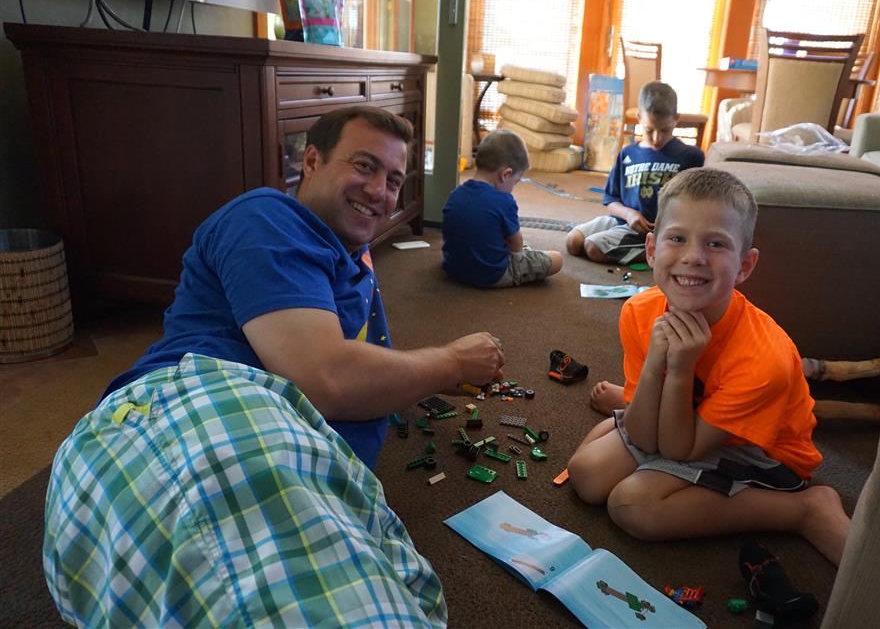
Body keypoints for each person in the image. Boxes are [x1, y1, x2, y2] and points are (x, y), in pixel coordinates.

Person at [43, 105, 505, 627]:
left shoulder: (350, 265)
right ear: (311, 161)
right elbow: (324, 378)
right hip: (189, 406)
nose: (380, 190)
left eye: (395, 180)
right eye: (364, 166)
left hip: (268, 449)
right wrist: (450, 361)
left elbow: (346, 376)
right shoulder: (267, 216)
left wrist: (417, 377)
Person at [566, 168, 850, 567]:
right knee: (586, 476)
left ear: (744, 265)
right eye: (677, 238)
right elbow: (647, 437)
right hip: (683, 418)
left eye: (716, 244)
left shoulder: (763, 359)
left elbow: (680, 449)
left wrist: (680, 367)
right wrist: (656, 366)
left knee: (633, 506)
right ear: (652, 250)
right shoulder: (638, 312)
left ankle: (803, 511)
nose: (693, 257)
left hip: (757, 450)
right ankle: (626, 411)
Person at [566, 80, 704, 266]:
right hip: (622, 219)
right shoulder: (628, 154)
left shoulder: (691, 156)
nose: (657, 138)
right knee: (573, 242)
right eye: (649, 130)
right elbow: (611, 199)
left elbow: (696, 206)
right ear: (639, 117)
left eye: (665, 130)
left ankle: (659, 252)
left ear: (676, 119)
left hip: (653, 231)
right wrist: (629, 214)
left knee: (593, 248)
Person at [442, 129, 563, 288]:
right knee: (557, 259)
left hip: (454, 268)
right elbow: (516, 246)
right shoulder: (504, 201)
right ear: (506, 174)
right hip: (492, 274)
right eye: (515, 182)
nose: (513, 188)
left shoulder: (455, 194)